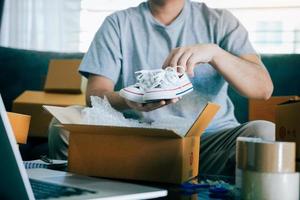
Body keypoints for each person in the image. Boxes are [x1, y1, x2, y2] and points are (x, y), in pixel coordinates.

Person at [48, 0, 275, 176]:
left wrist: (216, 53)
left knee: (264, 132)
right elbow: (95, 96)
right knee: (62, 124)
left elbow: (263, 89)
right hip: (138, 138)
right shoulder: (118, 23)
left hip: (207, 142)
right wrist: (127, 98)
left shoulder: (221, 21)